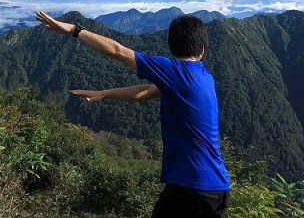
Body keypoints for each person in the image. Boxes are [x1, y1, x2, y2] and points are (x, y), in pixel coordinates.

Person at [35, 11, 230, 218]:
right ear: (202, 49)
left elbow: (117, 51)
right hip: (216, 187)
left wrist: (75, 29)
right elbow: (146, 91)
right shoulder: (202, 76)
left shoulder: (176, 72)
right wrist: (105, 94)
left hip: (192, 186)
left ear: (171, 46)